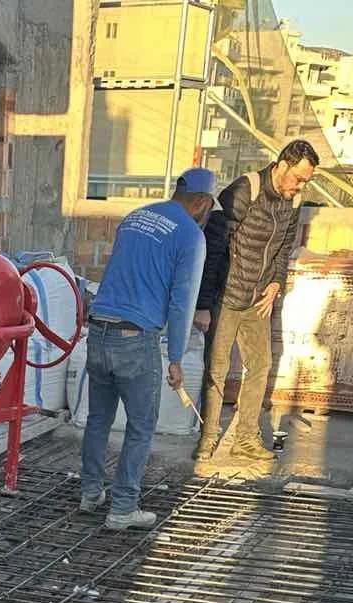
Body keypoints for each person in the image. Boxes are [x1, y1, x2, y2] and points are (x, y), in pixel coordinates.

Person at [79, 167, 214, 533]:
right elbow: (182, 301)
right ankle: (123, 507)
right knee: (140, 426)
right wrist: (175, 356)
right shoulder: (190, 236)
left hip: (99, 330)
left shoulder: (135, 218)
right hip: (135, 341)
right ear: (202, 202)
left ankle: (91, 492)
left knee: (98, 419)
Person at [193, 140, 320, 476]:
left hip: (257, 301)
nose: (300, 185)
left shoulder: (292, 203)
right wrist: (204, 304)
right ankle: (207, 438)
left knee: (260, 366)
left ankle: (246, 438)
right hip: (226, 296)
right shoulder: (245, 189)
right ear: (282, 164)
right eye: (298, 178)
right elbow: (213, 249)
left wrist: (277, 282)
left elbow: (283, 250)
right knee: (216, 370)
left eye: (306, 181)